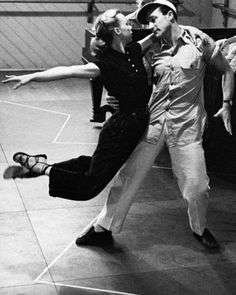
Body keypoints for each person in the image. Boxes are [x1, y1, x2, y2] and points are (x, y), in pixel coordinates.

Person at [76, 0, 235, 249]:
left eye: (154, 19)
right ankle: (102, 228)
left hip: (186, 126)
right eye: (147, 21)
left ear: (170, 15)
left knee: (197, 188)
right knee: (128, 177)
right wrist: (117, 96)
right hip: (153, 122)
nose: (150, 25)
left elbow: (227, 70)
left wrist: (226, 103)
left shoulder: (198, 39)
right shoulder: (149, 48)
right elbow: (134, 80)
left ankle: (199, 228)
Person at [3, 9, 155, 202]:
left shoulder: (134, 50)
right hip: (122, 129)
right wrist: (32, 76)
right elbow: (69, 71)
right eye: (126, 24)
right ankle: (43, 168)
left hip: (134, 125)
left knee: (94, 166)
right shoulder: (104, 64)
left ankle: (38, 165)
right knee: (89, 188)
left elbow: (159, 32)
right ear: (117, 31)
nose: (131, 27)